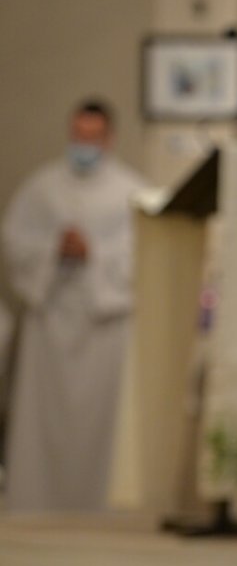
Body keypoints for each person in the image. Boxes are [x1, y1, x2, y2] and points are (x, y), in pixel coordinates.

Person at [2, 98, 145, 512]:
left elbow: (142, 257)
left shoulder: (131, 191)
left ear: (109, 138)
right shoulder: (41, 187)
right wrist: (53, 248)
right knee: (41, 426)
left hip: (104, 327)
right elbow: (14, 242)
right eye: (77, 135)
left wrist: (94, 252)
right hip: (50, 322)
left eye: (92, 137)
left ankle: (98, 505)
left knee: (98, 430)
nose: (83, 144)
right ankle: (35, 502)